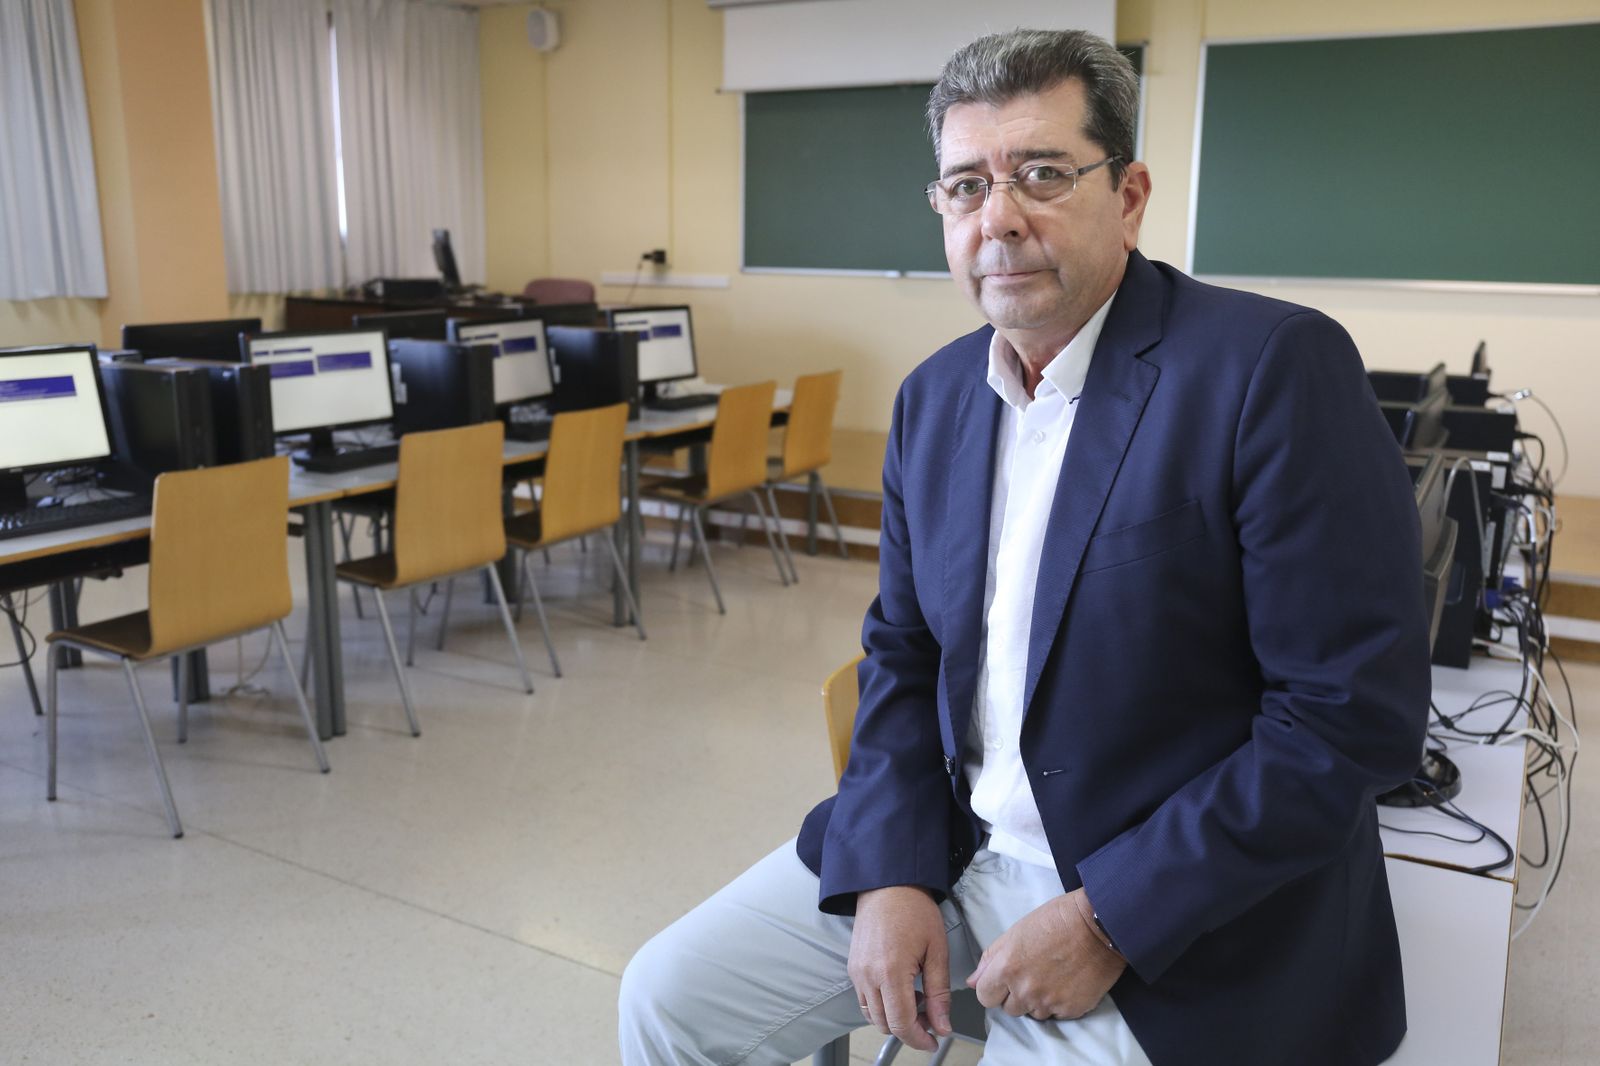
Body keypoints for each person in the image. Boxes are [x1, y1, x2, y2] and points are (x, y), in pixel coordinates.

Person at [619, 28, 1430, 1066]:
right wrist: (889, 869)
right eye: (966, 186)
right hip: (952, 849)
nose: (998, 218)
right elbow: (904, 654)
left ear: (1128, 196)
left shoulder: (1267, 368)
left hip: (1172, 900)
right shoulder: (934, 398)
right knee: (667, 999)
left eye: (1042, 174)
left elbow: (1348, 714)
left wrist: (1107, 919)